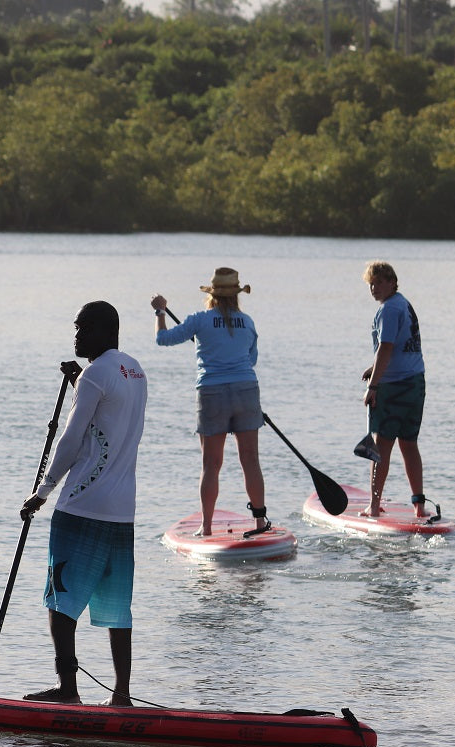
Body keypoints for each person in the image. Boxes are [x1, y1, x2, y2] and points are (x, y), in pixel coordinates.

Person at [19, 301, 147, 706]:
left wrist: (42, 492)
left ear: (103, 332)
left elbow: (72, 440)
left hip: (80, 507)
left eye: (81, 329)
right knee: (117, 608)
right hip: (121, 511)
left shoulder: (96, 373)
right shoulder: (135, 370)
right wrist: (80, 384)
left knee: (61, 600)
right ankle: (122, 697)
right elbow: (108, 417)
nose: (75, 337)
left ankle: (68, 690)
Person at [150, 268, 269, 537]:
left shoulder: (199, 320)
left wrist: (160, 312)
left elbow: (163, 339)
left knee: (211, 464)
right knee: (251, 461)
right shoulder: (248, 322)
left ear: (212, 295)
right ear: (237, 295)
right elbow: (250, 360)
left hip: (211, 392)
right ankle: (260, 523)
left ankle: (206, 527)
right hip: (246, 389)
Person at [360, 260, 428, 518]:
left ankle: (374, 506)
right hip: (415, 382)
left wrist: (374, 385)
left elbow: (386, 347)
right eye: (371, 284)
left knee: (381, 446)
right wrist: (373, 367)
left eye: (379, 282)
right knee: (409, 443)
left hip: (393, 386)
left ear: (392, 281)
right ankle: (419, 505)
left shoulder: (388, 309)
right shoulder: (404, 304)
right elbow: (397, 346)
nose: (374, 288)